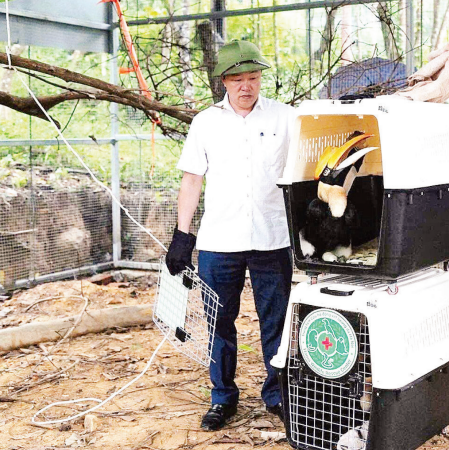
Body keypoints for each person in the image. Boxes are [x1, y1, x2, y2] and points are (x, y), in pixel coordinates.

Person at [165, 40, 294, 431]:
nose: (246, 86)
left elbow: (303, 173)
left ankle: (278, 395)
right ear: (224, 81)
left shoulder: (285, 118)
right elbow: (191, 180)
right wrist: (181, 237)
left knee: (277, 322)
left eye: (253, 78)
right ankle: (222, 398)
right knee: (219, 320)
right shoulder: (206, 122)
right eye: (238, 79)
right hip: (220, 242)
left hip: (273, 239)